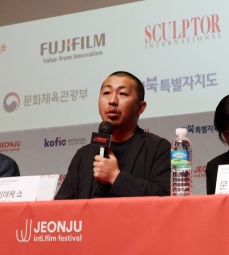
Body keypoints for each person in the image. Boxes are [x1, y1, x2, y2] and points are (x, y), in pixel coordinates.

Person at [55, 71, 171, 199]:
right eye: (106, 93)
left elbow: (165, 199)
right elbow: (62, 207)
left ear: (140, 108)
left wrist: (115, 177)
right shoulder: (84, 155)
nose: (112, 101)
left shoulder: (158, 148)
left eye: (122, 94)